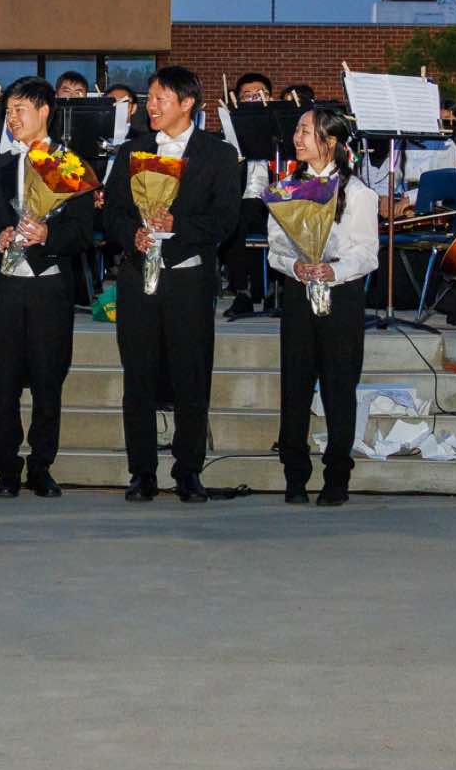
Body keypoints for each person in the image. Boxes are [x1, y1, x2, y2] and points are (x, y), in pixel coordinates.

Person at [103, 65, 239, 502]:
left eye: (161, 98)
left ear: (187, 103)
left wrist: (176, 226)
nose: (152, 106)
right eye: (150, 98)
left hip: (188, 279)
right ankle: (141, 472)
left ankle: (188, 471)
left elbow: (226, 219)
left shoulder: (218, 154)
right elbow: (112, 213)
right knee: (138, 376)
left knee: (191, 377)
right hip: (137, 279)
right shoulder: (132, 150)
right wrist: (133, 234)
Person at [0, 77, 94, 498]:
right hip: (4, 288)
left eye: (20, 109)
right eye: (8, 110)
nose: (12, 117)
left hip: (49, 288)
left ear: (44, 111)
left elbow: (84, 232)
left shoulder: (69, 164)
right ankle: (6, 468)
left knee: (48, 379)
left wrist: (48, 235)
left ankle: (41, 466)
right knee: (3, 382)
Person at [269, 107, 378, 506]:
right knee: (294, 385)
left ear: (330, 141)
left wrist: (333, 270)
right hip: (299, 292)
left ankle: (337, 476)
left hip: (341, 294)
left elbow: (367, 253)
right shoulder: (285, 189)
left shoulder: (358, 193)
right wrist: (294, 265)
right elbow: (275, 249)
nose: (297, 139)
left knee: (339, 386)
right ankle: (294, 474)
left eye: (306, 131)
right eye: (297, 130)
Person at [223, 73, 275, 319]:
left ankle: (275, 290)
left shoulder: (283, 128)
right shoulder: (230, 128)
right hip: (242, 197)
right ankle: (242, 292)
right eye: (247, 96)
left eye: (260, 94)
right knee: (232, 220)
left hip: (276, 197)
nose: (254, 99)